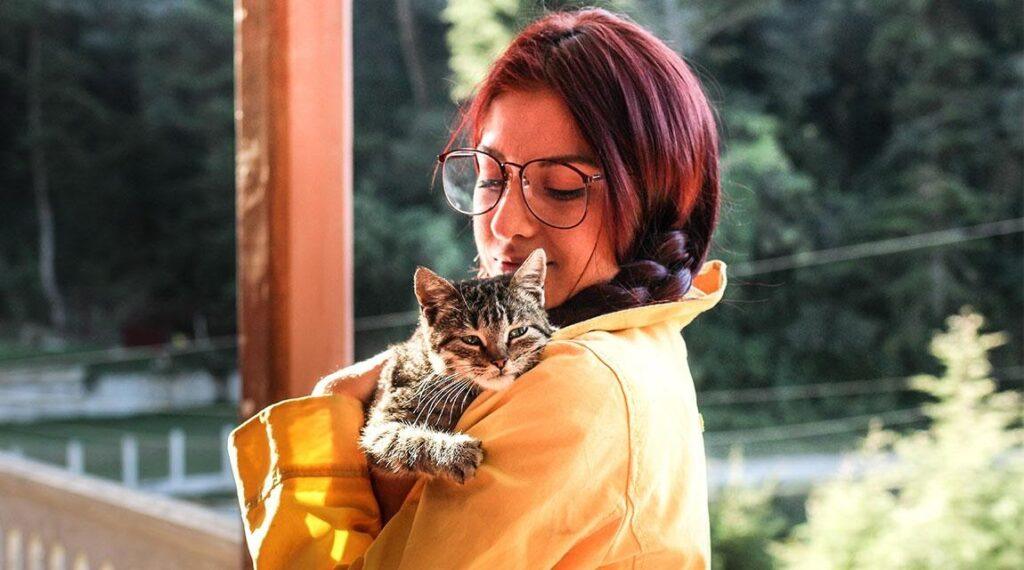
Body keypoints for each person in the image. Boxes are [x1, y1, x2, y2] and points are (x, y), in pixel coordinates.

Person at [229, 7, 728, 569]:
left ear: (655, 205)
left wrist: (328, 422)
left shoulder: (578, 383)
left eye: (561, 187)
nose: (504, 223)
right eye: (490, 178)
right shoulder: (647, 341)